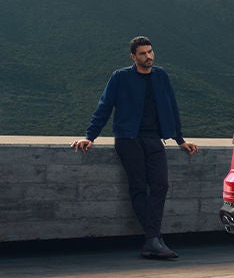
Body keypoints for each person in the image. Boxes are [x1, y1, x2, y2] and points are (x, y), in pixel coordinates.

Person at [71, 36, 198, 259]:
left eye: (150, 52)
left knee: (160, 185)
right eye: (143, 53)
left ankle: (152, 240)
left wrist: (180, 140)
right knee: (138, 187)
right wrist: (90, 137)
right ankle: (154, 239)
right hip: (128, 139)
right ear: (133, 56)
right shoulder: (120, 77)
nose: (148, 56)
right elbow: (104, 106)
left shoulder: (161, 75)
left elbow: (172, 108)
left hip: (153, 139)